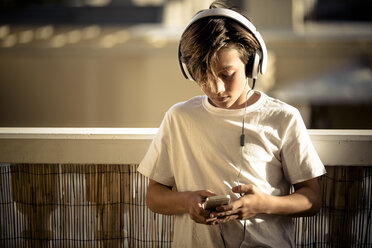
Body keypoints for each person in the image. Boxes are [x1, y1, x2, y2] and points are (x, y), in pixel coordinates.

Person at [137, 1, 326, 247]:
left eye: (227, 75)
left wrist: (264, 204)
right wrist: (186, 202)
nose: (216, 89)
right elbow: (154, 196)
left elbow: (312, 199)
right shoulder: (179, 118)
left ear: (252, 63)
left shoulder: (283, 118)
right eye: (203, 77)